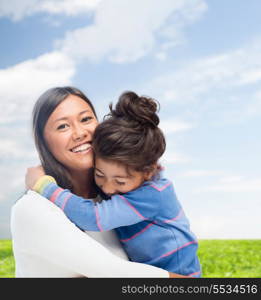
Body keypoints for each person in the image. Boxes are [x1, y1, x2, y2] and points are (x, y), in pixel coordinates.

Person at [11, 86, 187, 278]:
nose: (79, 133)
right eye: (63, 126)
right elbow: (112, 273)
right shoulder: (32, 208)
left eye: (86, 119)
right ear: (43, 142)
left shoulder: (115, 199)